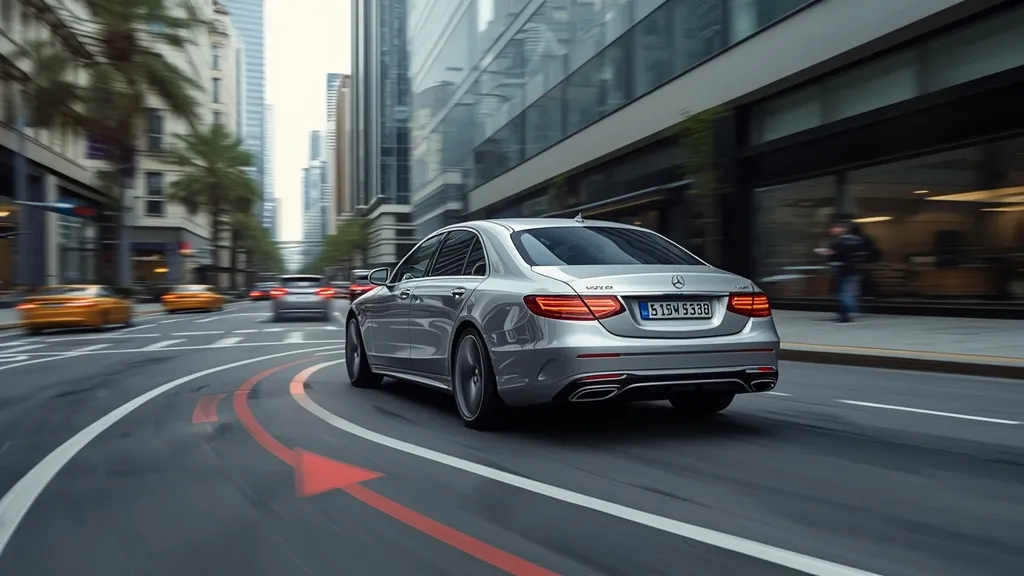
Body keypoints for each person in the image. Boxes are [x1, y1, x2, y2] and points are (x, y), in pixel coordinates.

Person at [814, 221, 869, 323]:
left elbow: (835, 252)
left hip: (844, 269)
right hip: (855, 269)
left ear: (841, 229)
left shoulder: (842, 240)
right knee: (849, 292)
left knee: (843, 293)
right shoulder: (858, 239)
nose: (831, 230)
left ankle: (845, 314)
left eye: (833, 228)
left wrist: (823, 252)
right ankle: (850, 312)